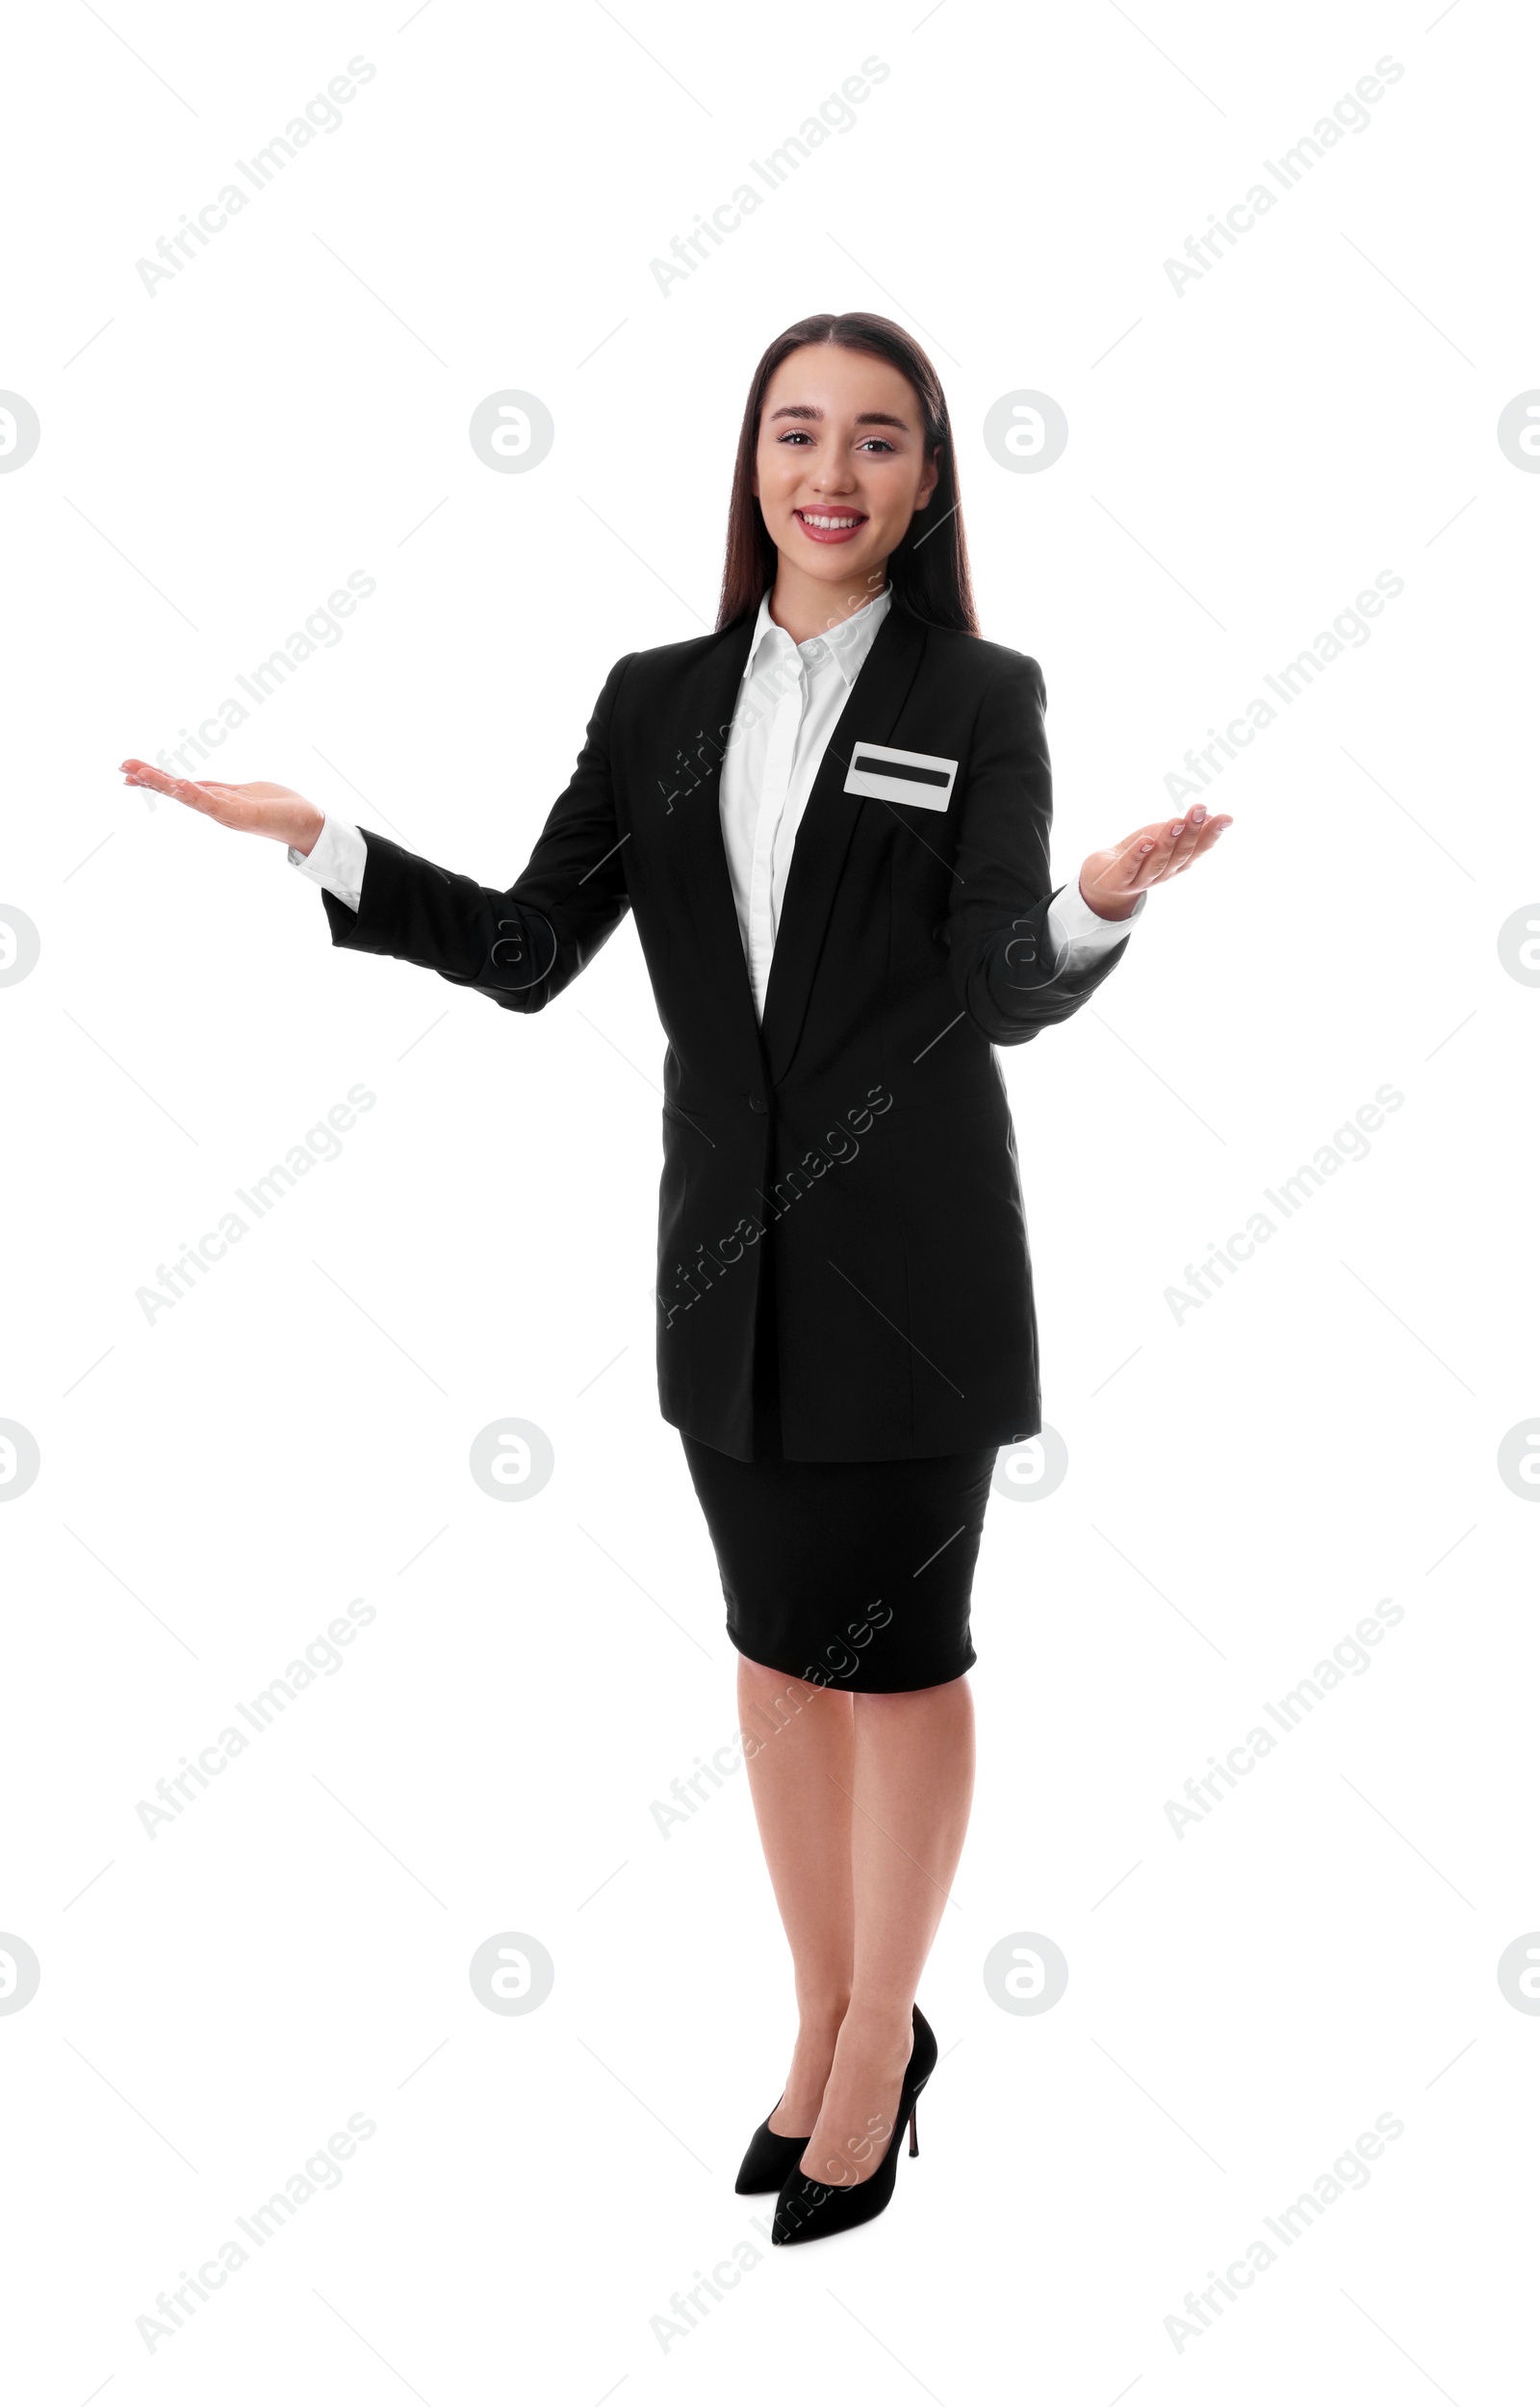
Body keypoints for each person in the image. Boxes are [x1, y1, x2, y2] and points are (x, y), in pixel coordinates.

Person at [120, 309, 1230, 2244]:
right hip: (723, 1267)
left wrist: (1097, 903)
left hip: (917, 1265)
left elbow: (998, 989)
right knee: (776, 1652)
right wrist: (325, 843)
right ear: (748, 463)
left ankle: (882, 2039)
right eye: (796, 431)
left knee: (898, 1658)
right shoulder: (651, 699)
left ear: (928, 478)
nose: (831, 467)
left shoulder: (980, 693)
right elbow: (535, 945)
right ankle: (813, 2016)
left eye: (876, 438)